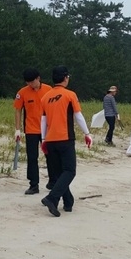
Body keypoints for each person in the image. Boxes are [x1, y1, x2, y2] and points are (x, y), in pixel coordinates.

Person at [40, 66, 92, 217]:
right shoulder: (70, 95)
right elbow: (78, 116)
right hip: (65, 138)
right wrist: (87, 133)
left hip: (50, 139)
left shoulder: (45, 97)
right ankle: (51, 198)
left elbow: (43, 120)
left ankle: (68, 202)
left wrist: (43, 139)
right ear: (65, 78)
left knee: (59, 173)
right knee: (69, 171)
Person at [14, 68, 52, 194]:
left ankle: (53, 181)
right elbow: (18, 110)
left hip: (46, 129)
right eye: (28, 82)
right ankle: (33, 184)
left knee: (51, 156)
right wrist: (17, 129)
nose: (30, 84)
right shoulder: (22, 93)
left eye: (32, 81)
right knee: (32, 157)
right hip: (31, 129)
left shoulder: (49, 90)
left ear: (38, 78)